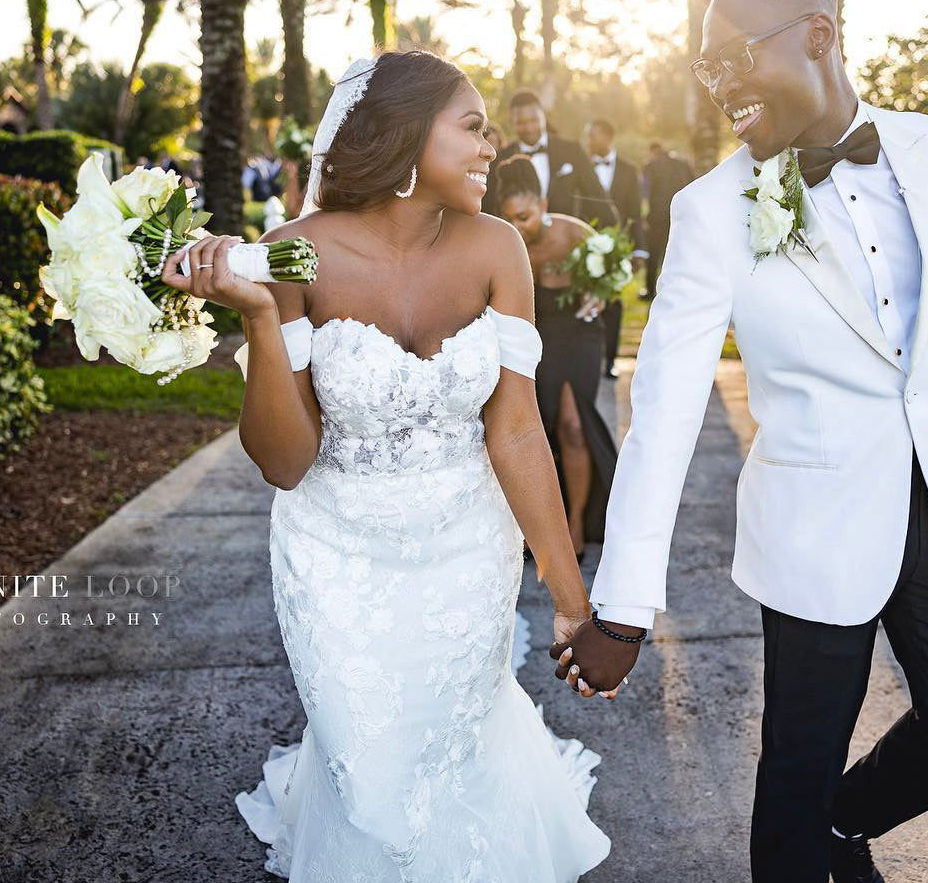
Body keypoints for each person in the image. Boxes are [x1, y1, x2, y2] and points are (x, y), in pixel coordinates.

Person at [554, 0, 928, 883]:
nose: (720, 89)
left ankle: (846, 825)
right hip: (814, 527)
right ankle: (808, 840)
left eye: (733, 61)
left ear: (818, 36)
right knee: (792, 779)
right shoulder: (713, 211)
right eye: (704, 72)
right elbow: (665, 414)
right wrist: (623, 611)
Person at [160, 50, 611, 881]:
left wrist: (573, 605)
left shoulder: (498, 250)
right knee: (366, 766)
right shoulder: (292, 256)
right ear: (405, 137)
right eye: (472, 129)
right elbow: (284, 461)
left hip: (468, 548)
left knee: (454, 742)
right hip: (336, 556)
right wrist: (261, 321)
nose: (491, 150)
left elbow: (515, 431)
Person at [495, 154, 620, 559]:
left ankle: (576, 521)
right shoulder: (505, 246)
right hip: (536, 336)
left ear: (544, 206)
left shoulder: (576, 233)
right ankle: (538, 522)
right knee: (541, 430)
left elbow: (614, 277)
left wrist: (598, 297)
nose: (519, 226)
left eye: (526, 216)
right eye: (510, 218)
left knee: (572, 425)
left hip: (580, 334)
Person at [484, 89, 619, 230]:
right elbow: (490, 207)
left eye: (534, 120)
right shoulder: (499, 158)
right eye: (521, 123)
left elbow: (596, 197)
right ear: (512, 122)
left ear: (543, 116)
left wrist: (613, 239)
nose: (529, 128)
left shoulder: (572, 151)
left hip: (565, 242)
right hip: (518, 242)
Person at [585, 118, 643, 378]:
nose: (588, 141)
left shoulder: (629, 171)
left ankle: (609, 360)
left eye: (593, 136)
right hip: (588, 244)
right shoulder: (583, 166)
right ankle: (589, 358)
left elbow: (635, 213)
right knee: (588, 301)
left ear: (608, 137)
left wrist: (639, 250)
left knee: (614, 304)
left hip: (619, 248)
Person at [640, 142, 695, 299]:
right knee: (679, 253)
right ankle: (678, 290)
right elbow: (693, 186)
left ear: (653, 151)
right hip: (681, 215)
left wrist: (645, 214)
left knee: (654, 254)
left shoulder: (651, 165)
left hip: (657, 216)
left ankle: (650, 290)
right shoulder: (683, 164)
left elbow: (646, 192)